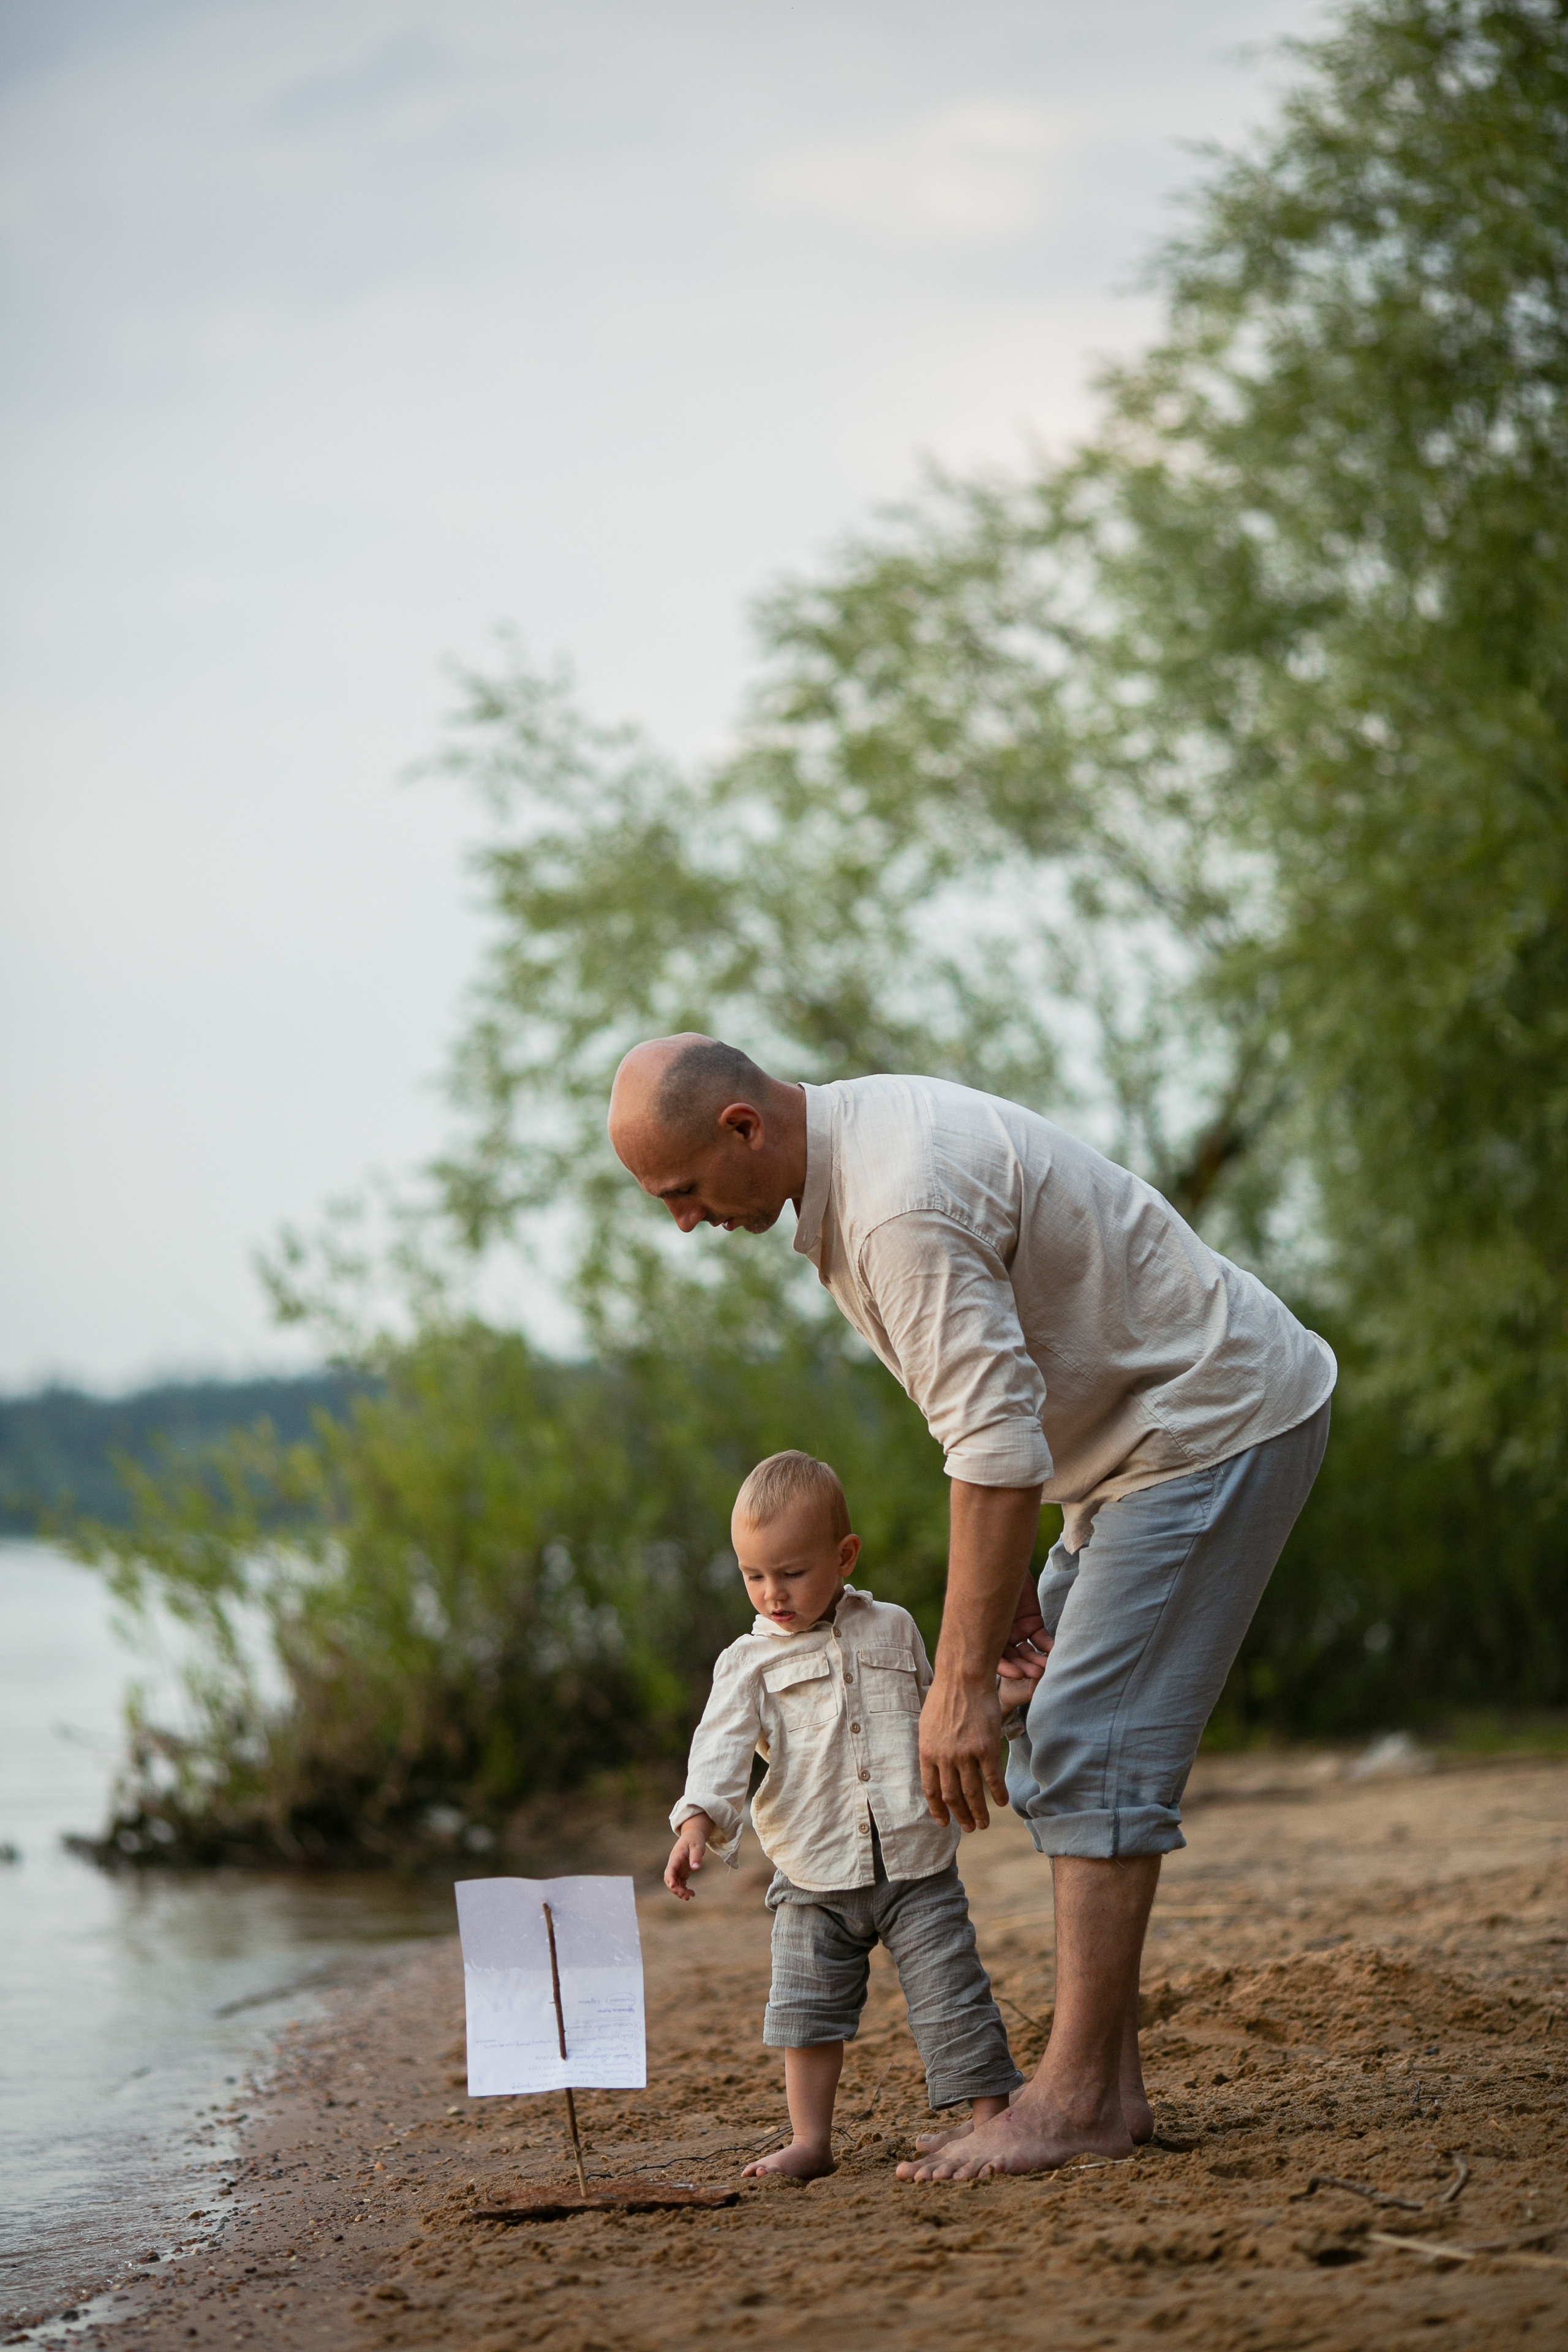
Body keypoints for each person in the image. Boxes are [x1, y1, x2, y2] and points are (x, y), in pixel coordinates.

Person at [613, 1035, 1336, 2179]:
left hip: (1207, 1427)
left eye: (686, 1192)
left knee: (1090, 1747)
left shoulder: (894, 1205)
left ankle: (1080, 2101)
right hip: (1130, 1451)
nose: (686, 1224)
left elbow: (994, 1448)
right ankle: (1109, 2089)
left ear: (743, 1128)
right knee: (1057, 1725)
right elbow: (985, 1414)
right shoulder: (856, 1160)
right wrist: (992, 1623)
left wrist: (954, 1689)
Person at [665, 1449, 1022, 2179]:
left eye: (791, 1572)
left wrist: (1001, 1704)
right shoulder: (747, 1663)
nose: (772, 1593)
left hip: (915, 1857)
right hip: (812, 1868)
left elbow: (939, 1710)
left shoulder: (893, 1627)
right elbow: (721, 1746)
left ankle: (992, 2119)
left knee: (953, 1992)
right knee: (804, 2010)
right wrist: (698, 1819)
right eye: (753, 1576)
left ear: (844, 1554)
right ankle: (811, 2140)